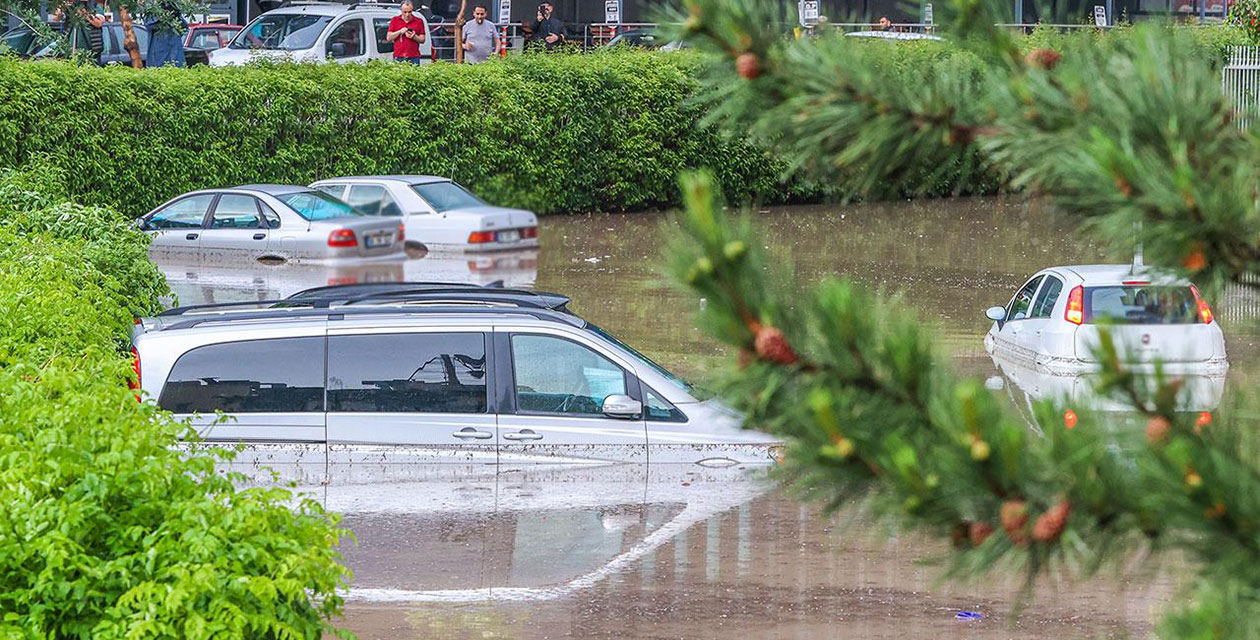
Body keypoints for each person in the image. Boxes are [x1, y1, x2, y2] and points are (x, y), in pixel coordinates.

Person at [146, 0, 187, 67]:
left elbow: (184, 29)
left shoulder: (176, 16)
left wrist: (176, 15)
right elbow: (150, 25)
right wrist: (163, 18)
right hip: (158, 57)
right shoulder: (153, 15)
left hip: (175, 55)